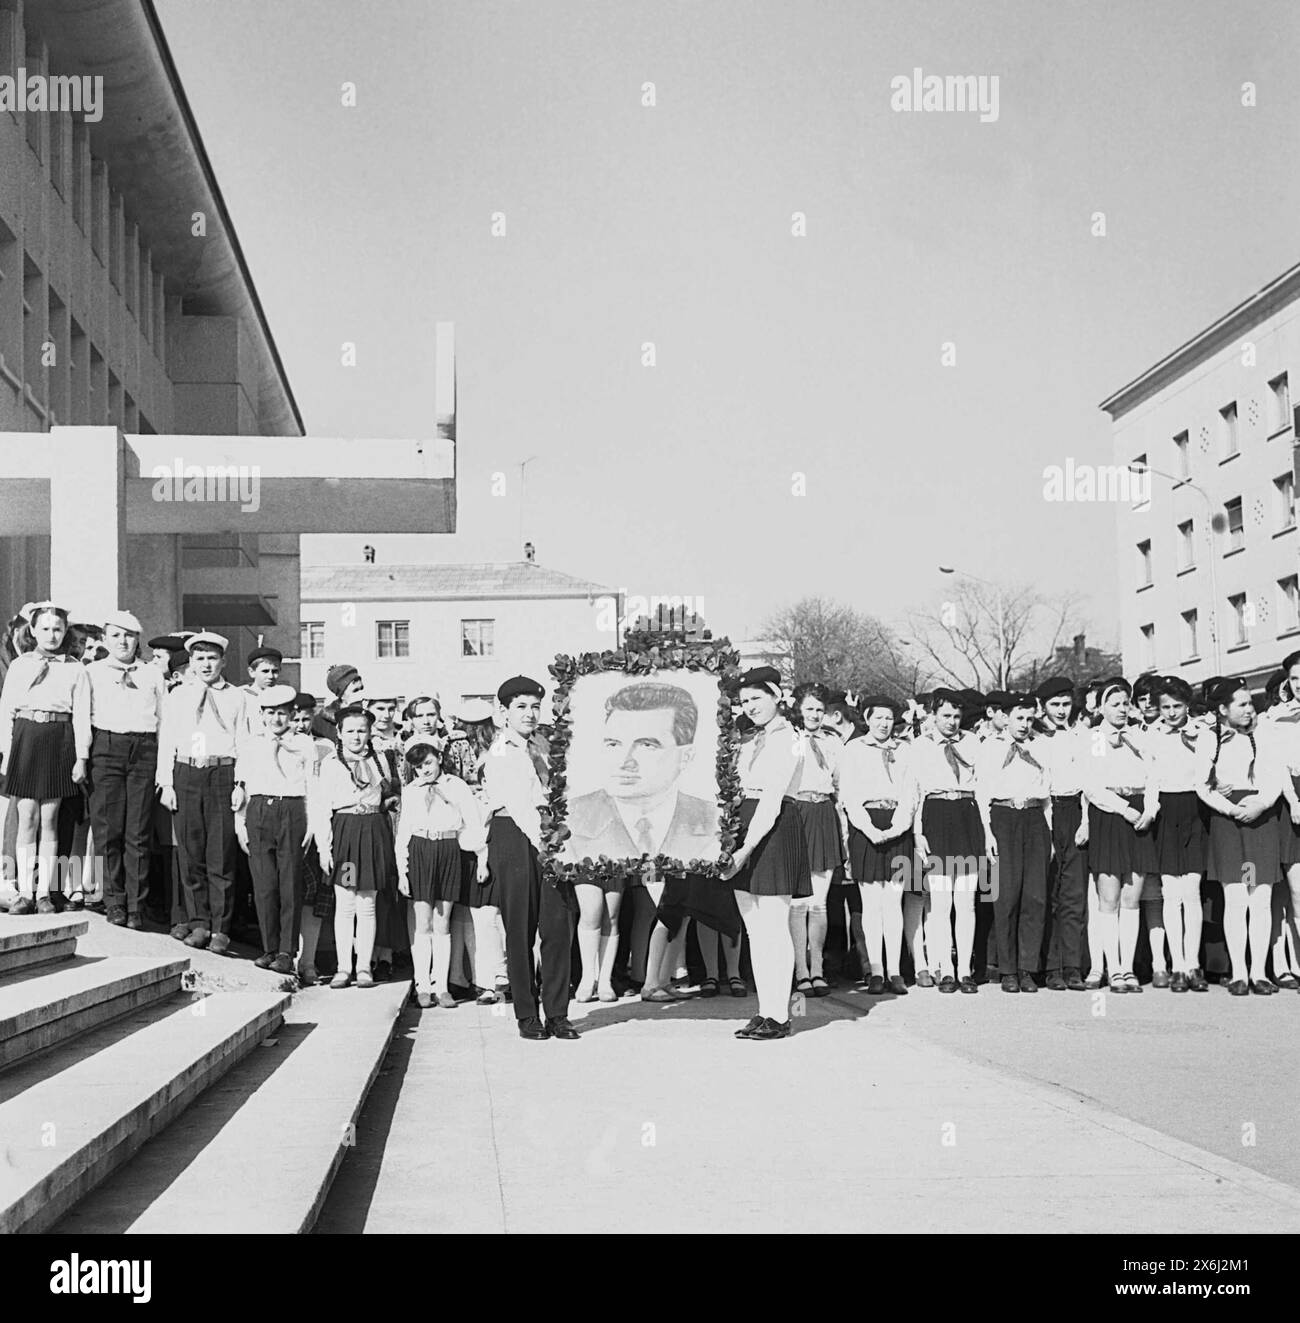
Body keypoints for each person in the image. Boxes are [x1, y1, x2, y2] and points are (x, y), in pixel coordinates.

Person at [567, 681, 715, 1002]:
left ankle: (659, 978)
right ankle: (641, 980)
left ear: (685, 755)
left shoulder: (704, 817)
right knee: (651, 910)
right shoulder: (580, 815)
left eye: (647, 744)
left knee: (671, 911)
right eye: (614, 743)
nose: (625, 760)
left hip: (669, 860)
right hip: (629, 867)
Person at [484, 675, 579, 1041]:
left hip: (549, 836)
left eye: (535, 706)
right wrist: (548, 847)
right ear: (504, 712)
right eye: (521, 707)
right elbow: (521, 807)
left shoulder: (543, 746)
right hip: (516, 838)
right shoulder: (500, 752)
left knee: (557, 927)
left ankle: (558, 1012)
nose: (529, 713)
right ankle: (527, 1013)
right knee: (520, 928)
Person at [720, 667, 811, 1040]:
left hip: (772, 828)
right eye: (744, 701)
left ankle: (780, 1015)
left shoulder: (792, 739)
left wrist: (746, 848)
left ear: (777, 697)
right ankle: (764, 1011)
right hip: (744, 825)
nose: (750, 706)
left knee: (774, 926)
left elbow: (772, 798)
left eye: (757, 698)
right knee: (756, 930)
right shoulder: (744, 740)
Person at [156, 632, 252, 952]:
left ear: (223, 661)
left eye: (212, 658)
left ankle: (221, 928)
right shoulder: (177, 696)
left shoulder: (237, 697)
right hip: (186, 773)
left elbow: (244, 742)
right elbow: (166, 741)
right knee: (190, 851)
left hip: (222, 773)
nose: (206, 664)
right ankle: (198, 922)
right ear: (191, 663)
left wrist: (241, 783)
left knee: (220, 854)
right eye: (199, 658)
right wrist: (166, 784)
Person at [0, 602, 91, 914]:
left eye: (57, 629)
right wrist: (6, 755)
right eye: (45, 628)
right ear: (33, 631)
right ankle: (24, 892)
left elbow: (80, 716)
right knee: (26, 816)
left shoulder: (75, 668)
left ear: (65, 632)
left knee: (50, 819)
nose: (51, 635)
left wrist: (81, 757)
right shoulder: (20, 665)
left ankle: (44, 894)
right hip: (26, 739)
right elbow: (6, 711)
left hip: (59, 740)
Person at [1195, 678, 1282, 996]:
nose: (1249, 709)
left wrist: (1261, 804)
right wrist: (1230, 809)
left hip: (1260, 821)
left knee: (1259, 897)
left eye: (1250, 703)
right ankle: (1239, 973)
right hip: (1229, 824)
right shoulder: (1211, 738)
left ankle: (1259, 972)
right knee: (1235, 897)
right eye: (1242, 704)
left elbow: (1275, 775)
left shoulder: (1264, 734)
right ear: (1222, 709)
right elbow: (1202, 784)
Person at [396, 732, 488, 1008]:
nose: (424, 769)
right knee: (422, 922)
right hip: (421, 850)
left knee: (443, 921)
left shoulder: (456, 785)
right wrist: (403, 870)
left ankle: (442, 986)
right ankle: (422, 985)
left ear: (439, 758)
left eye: (428, 762)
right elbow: (403, 832)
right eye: (418, 765)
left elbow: (471, 823)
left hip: (449, 850)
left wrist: (482, 858)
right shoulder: (411, 790)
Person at [311, 705, 401, 989]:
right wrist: (325, 849)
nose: (356, 736)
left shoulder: (381, 761)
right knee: (346, 902)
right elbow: (321, 808)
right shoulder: (331, 764)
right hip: (347, 836)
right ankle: (343, 967)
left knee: (368, 902)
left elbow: (390, 796)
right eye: (349, 731)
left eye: (361, 730)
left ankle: (364, 967)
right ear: (339, 732)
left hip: (373, 835)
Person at [86, 610, 165, 927]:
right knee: (108, 829)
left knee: (139, 831)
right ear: (105, 639)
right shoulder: (92, 672)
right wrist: (81, 756)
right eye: (116, 635)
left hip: (144, 749)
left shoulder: (152, 674)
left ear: (138, 640)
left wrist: (163, 769)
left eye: (129, 635)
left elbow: (165, 721)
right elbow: (82, 717)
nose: (123, 641)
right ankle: (114, 900)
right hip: (106, 748)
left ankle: (136, 905)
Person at [1080, 679, 1157, 994]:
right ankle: (1112, 969)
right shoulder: (1095, 739)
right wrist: (1125, 810)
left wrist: (1150, 809)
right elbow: (1093, 786)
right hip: (1111, 816)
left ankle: (1127, 969)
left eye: (1126, 703)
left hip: (1140, 816)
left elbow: (1154, 776)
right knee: (1109, 899)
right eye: (1115, 703)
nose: (1122, 709)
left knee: (1131, 898)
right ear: (1101, 708)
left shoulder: (1140, 736)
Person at [234, 685, 317, 975]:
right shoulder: (250, 744)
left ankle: (286, 951)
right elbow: (240, 788)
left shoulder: (305, 744)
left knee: (289, 883)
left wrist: (312, 825)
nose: (276, 719)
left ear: (292, 714)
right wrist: (240, 824)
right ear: (261, 714)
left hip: (292, 810)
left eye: (282, 713)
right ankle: (269, 948)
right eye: (270, 713)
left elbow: (312, 787)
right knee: (264, 884)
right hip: (258, 811)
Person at [839, 695, 917, 994]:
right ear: (867, 718)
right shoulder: (854, 750)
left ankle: (895, 971)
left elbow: (911, 792)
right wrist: (870, 829)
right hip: (866, 826)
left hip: (898, 826)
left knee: (893, 902)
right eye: (878, 717)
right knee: (871, 904)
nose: (884, 723)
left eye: (888, 718)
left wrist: (899, 825)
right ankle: (875, 970)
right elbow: (848, 794)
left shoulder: (904, 750)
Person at [910, 689, 983, 993]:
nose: (952, 722)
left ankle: (965, 969)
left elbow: (983, 787)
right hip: (936, 818)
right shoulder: (920, 746)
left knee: (966, 903)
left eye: (956, 716)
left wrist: (987, 833)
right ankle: (945, 968)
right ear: (933, 715)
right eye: (945, 716)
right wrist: (917, 833)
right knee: (939, 903)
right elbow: (914, 793)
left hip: (967, 817)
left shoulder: (973, 742)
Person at [976, 694, 1051, 993]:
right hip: (1003, 819)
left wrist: (1049, 832)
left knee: (1035, 897)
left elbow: (1048, 796)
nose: (1024, 724)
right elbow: (982, 793)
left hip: (1034, 818)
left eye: (1029, 719)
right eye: (1019, 718)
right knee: (1006, 896)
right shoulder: (991, 748)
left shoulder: (1040, 746)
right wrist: (987, 834)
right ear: (1006, 718)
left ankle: (1027, 968)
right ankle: (1007, 969)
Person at [1145, 676, 1209, 992]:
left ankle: (1194, 963)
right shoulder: (1152, 736)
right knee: (1171, 893)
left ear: (1187, 705)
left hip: (1195, 809)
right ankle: (1177, 966)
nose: (1171, 713)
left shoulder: (1202, 733)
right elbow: (1151, 779)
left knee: (1192, 891)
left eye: (1177, 706)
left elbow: (1205, 774)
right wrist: (1150, 811)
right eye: (1165, 707)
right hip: (1165, 813)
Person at [447, 699, 510, 1004]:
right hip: (473, 838)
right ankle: (488, 979)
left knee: (496, 915)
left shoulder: (501, 750)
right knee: (481, 915)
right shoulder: (457, 749)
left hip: (497, 834)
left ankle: (502, 978)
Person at [787, 682, 843, 997]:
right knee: (798, 902)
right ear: (799, 709)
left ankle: (817, 968)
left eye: (820, 710)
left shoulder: (833, 743)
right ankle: (800, 971)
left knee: (819, 902)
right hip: (797, 814)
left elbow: (840, 784)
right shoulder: (789, 740)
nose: (814, 715)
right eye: (809, 708)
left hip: (823, 814)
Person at [1035, 678, 1089, 991]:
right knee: (1049, 893)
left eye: (1066, 704)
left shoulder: (1082, 737)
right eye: (1054, 705)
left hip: (1075, 813)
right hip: (1046, 813)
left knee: (1074, 894)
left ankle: (1073, 966)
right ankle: (1051, 967)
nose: (1061, 711)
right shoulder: (1036, 739)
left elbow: (1089, 782)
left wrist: (1086, 823)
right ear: (1043, 706)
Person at [312, 663, 365, 741]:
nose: (361, 695)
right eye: (355, 691)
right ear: (341, 695)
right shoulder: (321, 722)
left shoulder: (372, 714)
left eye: (362, 689)